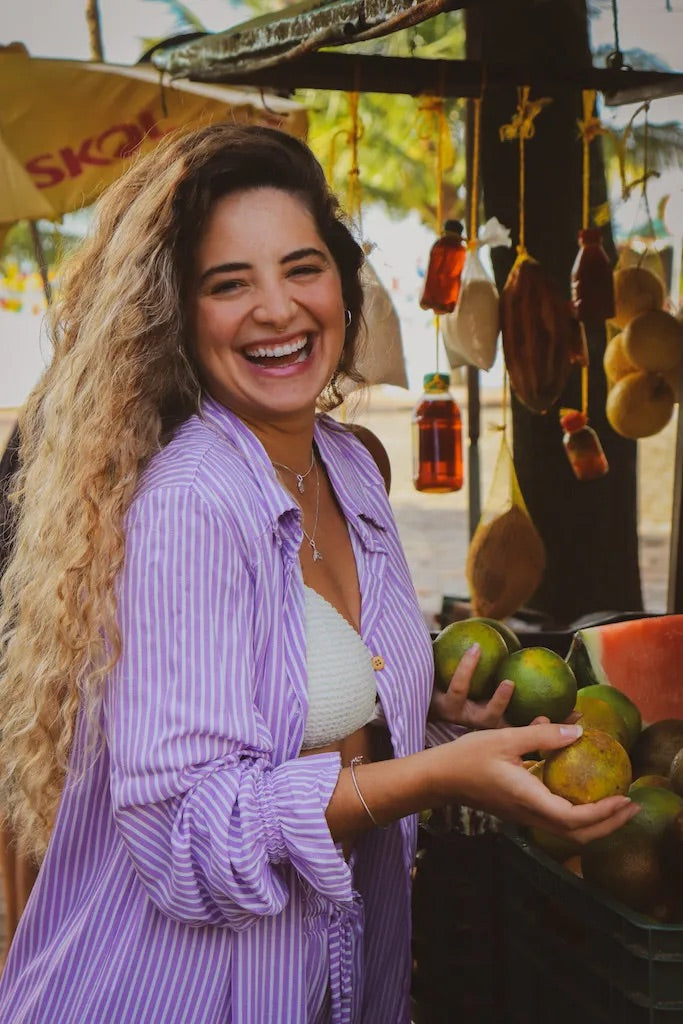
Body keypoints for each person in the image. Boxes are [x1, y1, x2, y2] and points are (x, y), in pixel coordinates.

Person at [0, 123, 637, 1024]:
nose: (277, 309)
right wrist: (435, 779)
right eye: (230, 284)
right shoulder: (192, 504)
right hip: (168, 994)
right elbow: (192, 837)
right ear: (177, 315)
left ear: (343, 283)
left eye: (302, 268)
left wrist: (419, 713)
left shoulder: (343, 466)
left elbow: (298, 704)